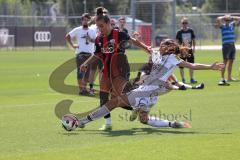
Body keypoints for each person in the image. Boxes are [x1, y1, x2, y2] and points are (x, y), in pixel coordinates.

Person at [62, 39, 224, 131]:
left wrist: (210, 66)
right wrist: (135, 39)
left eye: (163, 44)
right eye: (160, 44)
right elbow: (143, 47)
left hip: (146, 91)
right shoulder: (155, 53)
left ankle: (81, 122)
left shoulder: (174, 59)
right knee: (144, 120)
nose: (160, 45)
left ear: (168, 48)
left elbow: (193, 66)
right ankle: (172, 123)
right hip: (151, 94)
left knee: (113, 102)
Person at [80, 7, 152, 131]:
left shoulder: (119, 34)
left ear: (108, 23)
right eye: (98, 27)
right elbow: (97, 54)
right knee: (103, 97)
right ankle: (108, 123)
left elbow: (134, 41)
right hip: (106, 71)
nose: (100, 29)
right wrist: (85, 63)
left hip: (121, 70)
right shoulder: (99, 39)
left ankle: (138, 107)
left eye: (102, 26)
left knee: (119, 98)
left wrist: (147, 49)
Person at [65, 13, 96, 95]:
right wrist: (72, 45)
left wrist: (90, 39)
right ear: (81, 21)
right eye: (84, 20)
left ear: (89, 21)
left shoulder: (92, 31)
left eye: (87, 20)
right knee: (80, 71)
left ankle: (84, 89)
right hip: (80, 54)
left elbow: (96, 41)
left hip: (90, 55)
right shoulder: (77, 30)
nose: (85, 22)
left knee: (87, 73)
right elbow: (67, 36)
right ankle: (81, 90)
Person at [216, 14, 240, 85]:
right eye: (226, 20)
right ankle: (222, 78)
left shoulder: (232, 25)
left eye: (228, 20)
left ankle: (229, 77)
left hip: (232, 45)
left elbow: (239, 18)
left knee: (231, 61)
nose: (227, 21)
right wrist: (225, 17)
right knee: (225, 62)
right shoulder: (222, 26)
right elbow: (218, 19)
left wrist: (231, 17)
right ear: (224, 20)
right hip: (226, 46)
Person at [176, 17, 197, 84]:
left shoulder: (191, 31)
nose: (184, 24)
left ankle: (191, 79)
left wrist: (193, 48)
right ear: (181, 24)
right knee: (181, 65)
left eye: (186, 23)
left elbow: (194, 40)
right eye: (183, 23)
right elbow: (177, 42)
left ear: (187, 23)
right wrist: (178, 50)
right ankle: (183, 79)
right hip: (182, 51)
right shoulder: (179, 32)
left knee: (191, 64)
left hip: (189, 50)